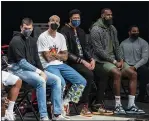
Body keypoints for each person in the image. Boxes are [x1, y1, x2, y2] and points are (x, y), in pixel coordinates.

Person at [7, 18, 64, 120]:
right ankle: (43, 116)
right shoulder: (16, 40)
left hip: (31, 69)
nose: (27, 30)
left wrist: (42, 71)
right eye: (25, 28)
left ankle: (57, 114)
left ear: (32, 28)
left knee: (57, 80)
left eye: (29, 28)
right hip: (18, 69)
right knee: (41, 81)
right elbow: (22, 63)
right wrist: (39, 72)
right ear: (21, 27)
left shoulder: (33, 41)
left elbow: (37, 59)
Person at [90, 8, 145, 114]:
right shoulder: (95, 29)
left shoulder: (112, 28)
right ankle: (118, 105)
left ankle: (131, 105)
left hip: (114, 60)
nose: (110, 17)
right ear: (102, 16)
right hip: (101, 61)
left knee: (133, 73)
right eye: (108, 15)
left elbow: (117, 45)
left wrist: (120, 59)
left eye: (111, 15)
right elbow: (98, 50)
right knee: (117, 72)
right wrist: (114, 62)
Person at [60, 9, 113, 116]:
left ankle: (97, 104)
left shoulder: (81, 31)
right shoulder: (64, 31)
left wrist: (91, 59)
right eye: (74, 18)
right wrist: (83, 62)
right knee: (89, 74)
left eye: (78, 18)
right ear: (70, 19)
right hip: (71, 62)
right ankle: (83, 106)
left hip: (84, 61)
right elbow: (66, 52)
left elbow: (86, 49)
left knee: (103, 74)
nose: (76, 20)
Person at [37, 15, 86, 117]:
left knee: (81, 81)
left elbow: (66, 57)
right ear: (48, 22)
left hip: (60, 65)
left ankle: (65, 102)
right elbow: (47, 58)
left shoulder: (61, 36)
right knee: (61, 82)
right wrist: (59, 55)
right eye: (52, 21)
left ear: (59, 24)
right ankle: (56, 113)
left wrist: (55, 55)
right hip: (48, 66)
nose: (54, 22)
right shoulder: (43, 36)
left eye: (57, 21)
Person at [120, 25, 149, 103]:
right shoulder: (123, 43)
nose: (136, 33)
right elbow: (121, 57)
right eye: (134, 31)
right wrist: (125, 65)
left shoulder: (144, 43)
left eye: (137, 31)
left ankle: (141, 97)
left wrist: (135, 67)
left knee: (145, 71)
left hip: (139, 65)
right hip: (127, 66)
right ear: (129, 33)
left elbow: (145, 58)